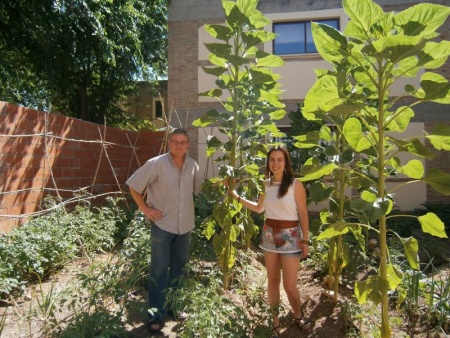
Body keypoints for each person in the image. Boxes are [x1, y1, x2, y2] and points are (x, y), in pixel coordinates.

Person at [227, 145, 311, 337]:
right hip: (269, 236)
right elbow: (259, 209)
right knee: (272, 282)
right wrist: (234, 195)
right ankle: (274, 322)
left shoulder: (295, 185)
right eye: (272, 159)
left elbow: (303, 213)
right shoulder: (265, 184)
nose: (275, 163)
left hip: (291, 237)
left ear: (286, 162)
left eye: (280, 159)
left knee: (290, 285)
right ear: (268, 163)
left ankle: (298, 315)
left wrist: (306, 240)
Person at [126, 128, 202, 333]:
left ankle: (174, 307)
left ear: (188, 144)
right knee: (159, 271)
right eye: (175, 142)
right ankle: (155, 316)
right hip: (162, 226)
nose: (179, 145)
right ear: (169, 143)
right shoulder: (156, 164)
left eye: (183, 142)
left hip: (185, 226)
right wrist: (145, 209)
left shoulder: (193, 166)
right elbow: (134, 186)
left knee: (179, 269)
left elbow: (198, 190)